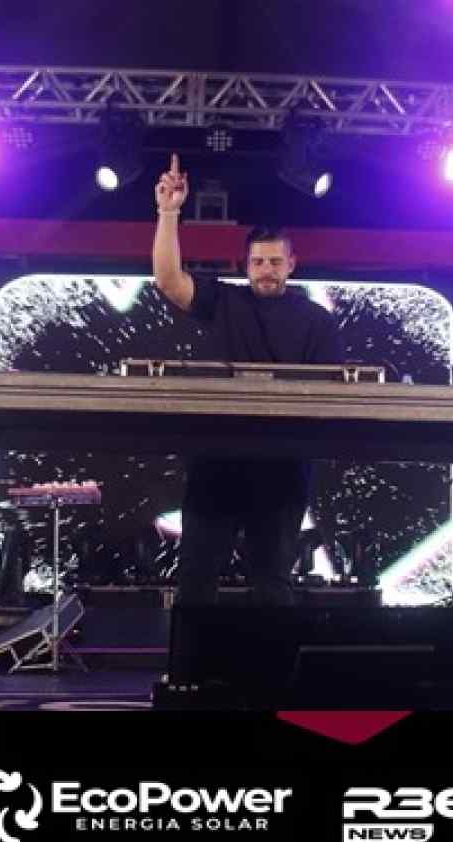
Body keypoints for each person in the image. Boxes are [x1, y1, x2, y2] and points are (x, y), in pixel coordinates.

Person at [152, 153, 342, 606]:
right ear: (246, 266)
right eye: (258, 262)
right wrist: (168, 212)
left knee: (272, 582)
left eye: (275, 261)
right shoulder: (224, 302)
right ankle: (191, 656)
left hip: (283, 467)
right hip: (217, 459)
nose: (266, 270)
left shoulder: (317, 321)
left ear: (292, 264)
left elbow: (332, 396)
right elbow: (168, 279)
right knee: (197, 578)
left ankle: (270, 658)